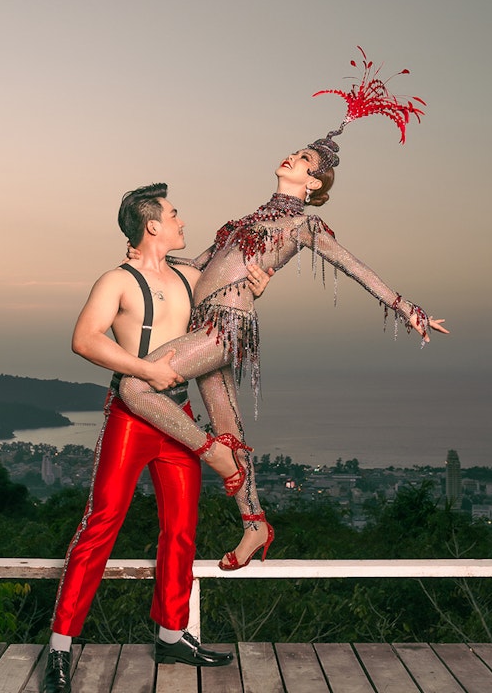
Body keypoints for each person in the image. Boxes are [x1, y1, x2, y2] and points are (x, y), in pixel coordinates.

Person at [117, 50, 449, 574]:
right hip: (206, 323)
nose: (292, 158)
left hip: (225, 328)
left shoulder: (304, 227)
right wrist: (147, 252)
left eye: (303, 161)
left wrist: (409, 309)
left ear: (313, 184)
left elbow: (357, 268)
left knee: (134, 387)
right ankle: (255, 523)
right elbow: (201, 265)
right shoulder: (247, 219)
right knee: (232, 429)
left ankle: (211, 457)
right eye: (296, 153)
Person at [41, 183, 272, 693]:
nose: (181, 220)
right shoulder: (115, 281)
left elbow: (235, 273)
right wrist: (143, 369)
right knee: (100, 525)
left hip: (180, 416)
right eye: (173, 213)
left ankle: (172, 634)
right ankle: (59, 648)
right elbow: (85, 339)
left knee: (181, 528)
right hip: (130, 415)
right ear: (152, 226)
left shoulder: (189, 274)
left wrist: (257, 280)